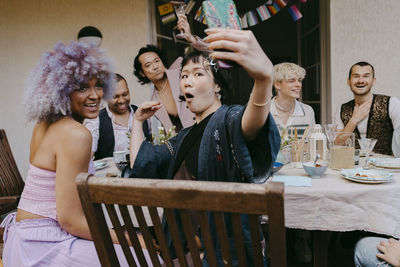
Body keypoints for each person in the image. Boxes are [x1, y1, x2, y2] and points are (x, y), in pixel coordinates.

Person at [124, 28, 280, 266]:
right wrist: (137, 122)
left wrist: (264, 79)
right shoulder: (184, 136)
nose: (187, 81)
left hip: (228, 252)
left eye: (198, 74)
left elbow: (250, 125)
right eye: (184, 76)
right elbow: (141, 163)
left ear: (218, 86)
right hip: (189, 252)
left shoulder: (229, 118)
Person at [0, 41, 159, 266]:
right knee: (147, 258)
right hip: (45, 246)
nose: (95, 95)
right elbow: (70, 221)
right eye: (83, 87)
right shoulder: (77, 134)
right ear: (61, 89)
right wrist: (131, 239)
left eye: (99, 85)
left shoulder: (43, 124)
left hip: (20, 240)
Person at [133, 15, 208, 135]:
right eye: (148, 65)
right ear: (142, 73)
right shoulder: (153, 102)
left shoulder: (180, 69)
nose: (155, 66)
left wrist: (191, 38)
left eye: (157, 61)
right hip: (187, 143)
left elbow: (209, 54)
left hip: (207, 127)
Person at [333, 61, 400, 155]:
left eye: (366, 76)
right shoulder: (341, 109)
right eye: (356, 76)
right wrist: (354, 120)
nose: (360, 80)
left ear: (373, 81)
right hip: (353, 167)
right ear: (348, 81)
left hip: (386, 167)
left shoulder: (392, 103)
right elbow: (338, 144)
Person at [84, 73, 151, 160]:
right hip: (110, 173)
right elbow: (87, 158)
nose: (121, 100)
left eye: (125, 94)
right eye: (115, 96)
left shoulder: (142, 112)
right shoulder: (95, 121)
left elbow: (152, 144)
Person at [271, 62, 315, 137]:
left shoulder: (307, 111)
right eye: (291, 81)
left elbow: (310, 144)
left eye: (299, 80)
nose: (298, 85)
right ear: (277, 85)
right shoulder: (264, 111)